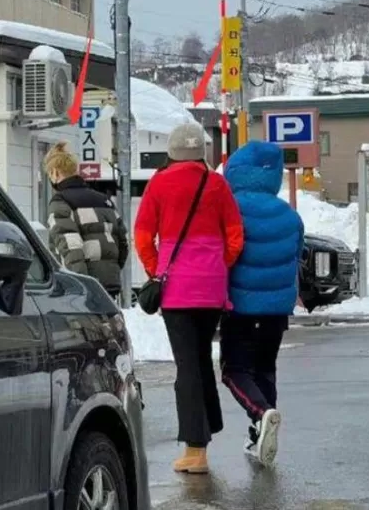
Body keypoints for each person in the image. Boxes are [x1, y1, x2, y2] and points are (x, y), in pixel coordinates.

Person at [134, 122, 244, 474]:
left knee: (187, 366)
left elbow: (142, 236)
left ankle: (195, 450)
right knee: (199, 359)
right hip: (212, 288)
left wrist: (157, 269)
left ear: (172, 152)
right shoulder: (217, 183)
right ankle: (207, 428)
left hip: (178, 289)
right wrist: (215, 264)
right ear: (201, 153)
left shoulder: (159, 183)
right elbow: (235, 236)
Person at [221, 140, 304, 467]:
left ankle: (260, 413)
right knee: (265, 369)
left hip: (240, 306)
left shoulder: (231, 209)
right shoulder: (290, 215)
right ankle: (260, 433)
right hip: (276, 311)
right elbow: (297, 256)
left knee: (234, 371)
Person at [44, 141, 129, 299]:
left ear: (55, 172)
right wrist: (112, 270)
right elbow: (123, 243)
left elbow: (70, 247)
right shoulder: (105, 200)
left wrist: (80, 285)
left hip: (83, 288)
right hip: (110, 282)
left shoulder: (61, 202)